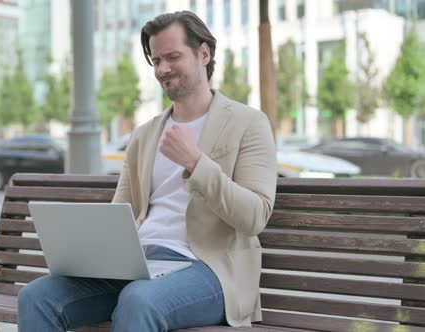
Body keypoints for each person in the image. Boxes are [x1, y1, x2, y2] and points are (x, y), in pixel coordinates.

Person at [18, 11, 277, 331]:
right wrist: (92, 254)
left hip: (211, 269)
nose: (163, 69)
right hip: (141, 265)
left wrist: (195, 162)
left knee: (139, 299)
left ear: (204, 53)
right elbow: (121, 211)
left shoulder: (248, 123)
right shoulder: (144, 135)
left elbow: (255, 216)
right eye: (156, 60)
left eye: (172, 57)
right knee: (37, 296)